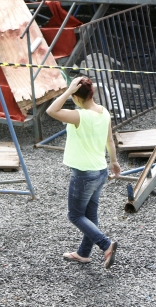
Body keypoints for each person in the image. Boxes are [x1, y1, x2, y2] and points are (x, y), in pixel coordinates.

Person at [46, 76, 121, 269]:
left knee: (75, 215)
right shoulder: (104, 113)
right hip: (100, 171)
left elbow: (51, 110)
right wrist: (114, 161)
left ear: (77, 98)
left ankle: (106, 245)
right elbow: (110, 140)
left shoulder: (80, 115)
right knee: (90, 215)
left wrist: (67, 91)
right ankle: (83, 253)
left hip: (84, 174)